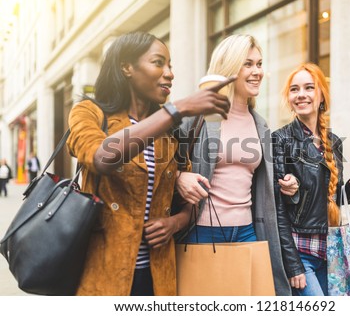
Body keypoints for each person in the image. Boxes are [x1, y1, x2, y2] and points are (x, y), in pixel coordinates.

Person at [66, 31, 234, 296]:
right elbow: (102, 157)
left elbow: (189, 206)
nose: (169, 73)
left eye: (170, 65)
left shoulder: (169, 133)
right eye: (158, 63)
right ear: (127, 67)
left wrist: (174, 223)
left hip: (158, 277)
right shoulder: (90, 112)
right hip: (104, 272)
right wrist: (176, 110)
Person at [174, 34, 297, 296]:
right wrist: (177, 177)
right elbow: (155, 159)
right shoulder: (199, 116)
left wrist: (286, 185)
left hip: (248, 231)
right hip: (201, 231)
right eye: (248, 64)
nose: (258, 72)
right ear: (229, 68)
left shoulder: (260, 124)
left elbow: (257, 184)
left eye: (260, 64)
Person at [272, 62, 350, 296]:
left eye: (309, 87)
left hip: (331, 251)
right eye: (294, 89)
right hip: (300, 253)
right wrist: (293, 264)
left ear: (321, 95)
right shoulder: (279, 140)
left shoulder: (333, 141)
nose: (301, 94)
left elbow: (333, 197)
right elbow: (277, 210)